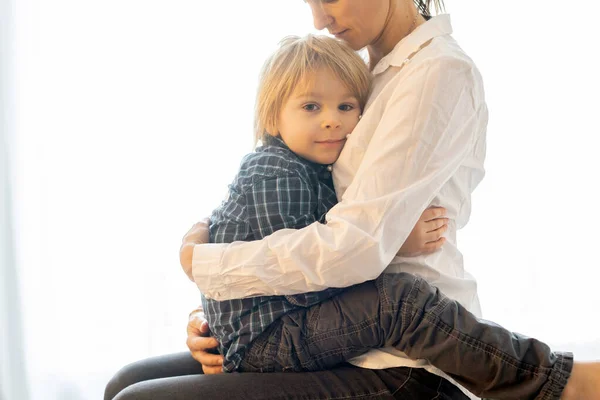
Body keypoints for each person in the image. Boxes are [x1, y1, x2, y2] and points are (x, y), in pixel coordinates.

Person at [105, 1, 600, 399]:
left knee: (140, 398)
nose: (319, 18)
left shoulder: (436, 72)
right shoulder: (363, 72)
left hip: (402, 357)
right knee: (124, 381)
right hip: (331, 330)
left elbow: (358, 245)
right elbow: (287, 211)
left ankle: (551, 382)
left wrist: (209, 267)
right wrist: (218, 315)